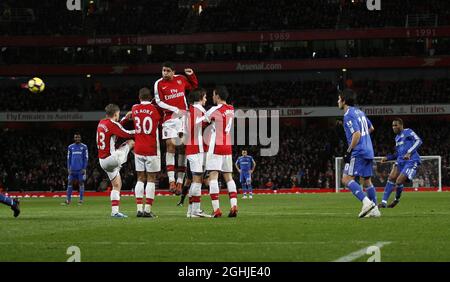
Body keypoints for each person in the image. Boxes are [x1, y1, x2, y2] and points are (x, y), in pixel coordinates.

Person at [153, 62, 198, 194]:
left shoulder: (181, 79)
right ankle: (171, 181)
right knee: (170, 146)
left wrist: (191, 75)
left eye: (167, 71)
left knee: (183, 147)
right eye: (163, 70)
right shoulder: (159, 83)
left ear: (173, 71)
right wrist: (174, 109)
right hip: (169, 119)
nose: (165, 73)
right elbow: (159, 101)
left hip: (183, 117)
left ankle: (180, 182)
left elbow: (194, 86)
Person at [338, 89, 380, 218]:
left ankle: (366, 203)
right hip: (368, 149)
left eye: (339, 99)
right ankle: (375, 209)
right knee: (367, 181)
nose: (338, 101)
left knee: (346, 179)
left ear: (344, 101)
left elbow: (356, 134)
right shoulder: (360, 112)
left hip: (359, 151)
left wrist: (348, 151)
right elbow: (371, 128)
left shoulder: (348, 115)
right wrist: (364, 139)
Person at [205, 86, 238, 218]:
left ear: (217, 96)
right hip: (227, 146)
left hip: (216, 145)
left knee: (213, 176)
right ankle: (234, 205)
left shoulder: (214, 109)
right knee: (229, 177)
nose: (212, 97)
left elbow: (204, 120)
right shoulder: (231, 109)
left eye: (213, 95)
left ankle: (216, 209)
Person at [97, 104, 135, 218]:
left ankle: (115, 212)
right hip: (111, 159)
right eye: (118, 115)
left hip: (102, 161)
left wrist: (124, 119)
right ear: (115, 114)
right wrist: (142, 131)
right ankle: (140, 161)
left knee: (117, 184)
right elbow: (125, 133)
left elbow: (116, 127)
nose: (119, 116)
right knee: (131, 142)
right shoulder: (112, 124)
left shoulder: (101, 123)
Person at [131, 88, 161, 218]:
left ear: (139, 97)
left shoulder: (134, 108)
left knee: (140, 178)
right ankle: (147, 210)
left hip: (138, 148)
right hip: (151, 148)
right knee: (151, 179)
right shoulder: (155, 109)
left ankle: (139, 209)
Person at [379, 118, 422, 208]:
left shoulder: (408, 131)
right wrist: (387, 158)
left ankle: (396, 199)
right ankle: (383, 202)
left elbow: (419, 141)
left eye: (396, 125)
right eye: (392, 126)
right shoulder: (397, 138)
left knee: (398, 181)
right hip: (401, 161)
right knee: (391, 177)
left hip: (411, 160)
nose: (393, 127)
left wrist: (409, 152)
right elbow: (397, 153)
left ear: (401, 125)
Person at [184, 88, 211, 218]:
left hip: (191, 148)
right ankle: (196, 210)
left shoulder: (189, 111)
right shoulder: (199, 110)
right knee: (197, 180)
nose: (206, 99)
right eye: (205, 97)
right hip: (198, 149)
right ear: (200, 97)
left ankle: (191, 210)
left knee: (196, 180)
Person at [63, 133, 88, 205]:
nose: (77, 138)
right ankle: (68, 200)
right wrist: (68, 168)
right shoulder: (70, 147)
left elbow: (86, 158)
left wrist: (84, 168)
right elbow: (68, 158)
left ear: (80, 138)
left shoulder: (84, 147)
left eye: (78, 137)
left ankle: (81, 200)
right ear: (74, 138)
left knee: (81, 183)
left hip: (81, 169)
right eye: (76, 137)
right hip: (72, 169)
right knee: (69, 183)